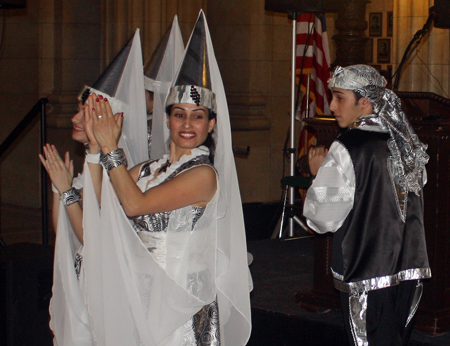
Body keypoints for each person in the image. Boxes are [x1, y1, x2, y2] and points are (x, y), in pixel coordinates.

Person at [81, 11, 252, 345]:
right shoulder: (145, 170)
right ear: (168, 120)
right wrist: (93, 147)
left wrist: (111, 148)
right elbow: (100, 207)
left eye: (198, 117)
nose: (187, 125)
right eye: (179, 115)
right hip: (143, 294)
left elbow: (134, 205)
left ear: (211, 125)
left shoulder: (204, 175)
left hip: (181, 301)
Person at [303, 64, 431, 345]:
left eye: (339, 97)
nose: (332, 106)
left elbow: (324, 218)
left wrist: (317, 176)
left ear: (364, 102)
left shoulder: (349, 146)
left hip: (367, 271)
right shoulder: (407, 142)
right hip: (409, 269)